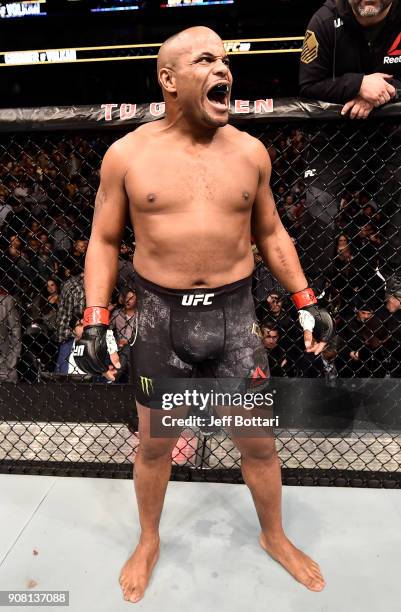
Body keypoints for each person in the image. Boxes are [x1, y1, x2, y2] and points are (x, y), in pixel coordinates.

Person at [74, 27, 333, 602]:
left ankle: (274, 536)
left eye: (225, 59)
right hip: (161, 324)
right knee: (154, 446)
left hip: (234, 321)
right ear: (169, 81)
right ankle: (148, 540)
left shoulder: (248, 151)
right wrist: (96, 315)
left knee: (259, 444)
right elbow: (102, 240)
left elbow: (270, 231)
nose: (224, 69)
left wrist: (305, 298)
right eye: (205, 60)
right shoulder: (128, 155)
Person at [299, 0, 401, 289]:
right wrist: (358, 84)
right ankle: (311, 289)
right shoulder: (324, 19)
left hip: (388, 136)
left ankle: (396, 276)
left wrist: (383, 92)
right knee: (318, 206)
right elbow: (308, 84)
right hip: (333, 139)